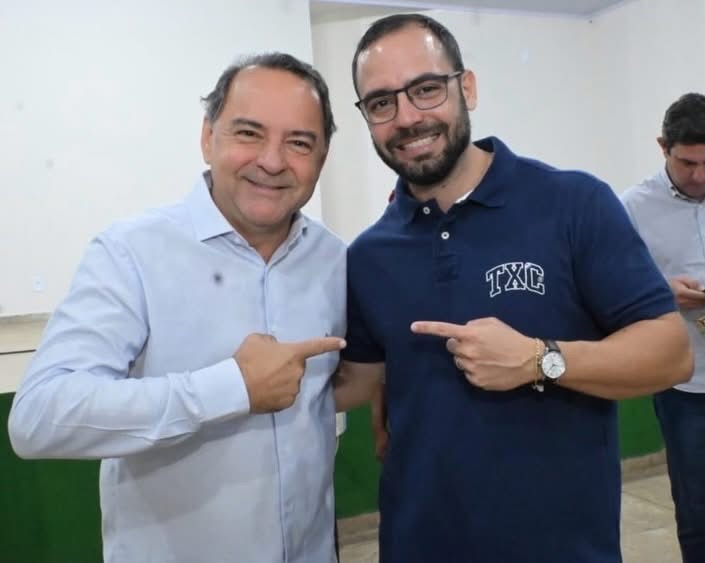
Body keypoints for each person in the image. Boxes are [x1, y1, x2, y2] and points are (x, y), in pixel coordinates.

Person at [332, 13, 693, 563]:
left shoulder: (574, 204)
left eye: (426, 89)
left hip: (563, 548)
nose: (406, 117)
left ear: (467, 88)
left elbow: (671, 354)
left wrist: (539, 360)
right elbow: (359, 379)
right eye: (382, 102)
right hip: (417, 545)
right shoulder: (367, 255)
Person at [8, 53, 347, 563]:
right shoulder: (131, 253)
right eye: (249, 133)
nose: (272, 161)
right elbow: (39, 417)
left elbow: (334, 390)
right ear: (208, 137)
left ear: (321, 158)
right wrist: (230, 388)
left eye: (299, 143)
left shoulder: (333, 259)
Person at [620, 93, 705, 563]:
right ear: (663, 147)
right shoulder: (631, 208)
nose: (700, 176)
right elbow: (613, 288)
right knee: (696, 509)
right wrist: (661, 292)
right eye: (687, 162)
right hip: (683, 383)